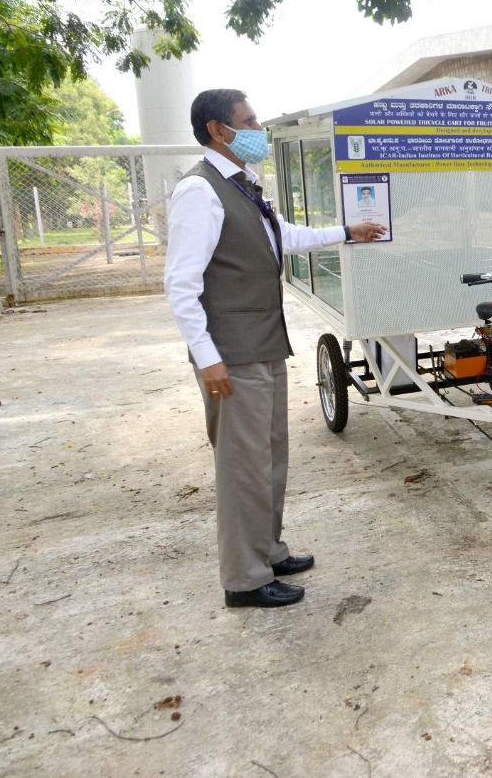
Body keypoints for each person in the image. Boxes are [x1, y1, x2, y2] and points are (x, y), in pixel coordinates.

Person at [164, 89, 386, 609]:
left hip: (262, 344)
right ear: (220, 130)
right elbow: (181, 284)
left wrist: (346, 232)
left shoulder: (240, 185)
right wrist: (207, 357)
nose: (258, 129)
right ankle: (244, 578)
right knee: (243, 464)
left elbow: (279, 236)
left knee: (269, 456)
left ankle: (268, 550)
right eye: (250, 121)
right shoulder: (200, 191)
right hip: (232, 354)